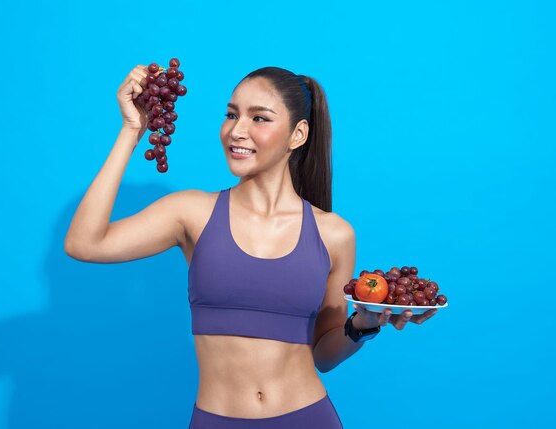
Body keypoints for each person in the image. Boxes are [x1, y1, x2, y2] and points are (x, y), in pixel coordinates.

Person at [64, 64, 438, 428]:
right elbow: (85, 243)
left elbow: (323, 354)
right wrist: (133, 129)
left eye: (259, 118)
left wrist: (365, 324)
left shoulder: (333, 234)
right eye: (231, 115)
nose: (237, 131)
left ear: (298, 134)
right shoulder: (191, 213)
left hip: (308, 417)